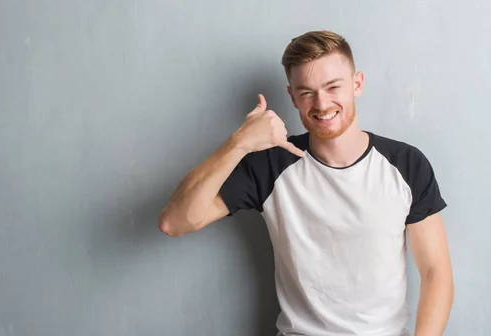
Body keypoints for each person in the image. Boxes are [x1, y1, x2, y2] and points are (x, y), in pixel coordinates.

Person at [158, 30, 454, 336]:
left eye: (332, 87)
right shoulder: (270, 165)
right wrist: (239, 143)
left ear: (357, 84)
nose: (321, 103)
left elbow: (436, 272)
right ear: (292, 97)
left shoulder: (406, 164)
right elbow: (175, 221)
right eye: (306, 92)